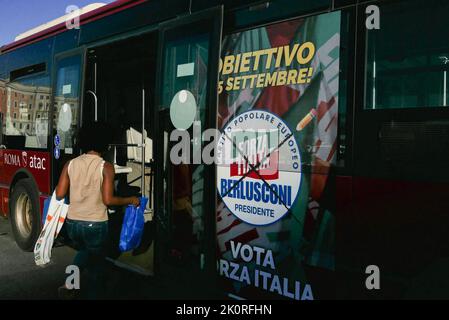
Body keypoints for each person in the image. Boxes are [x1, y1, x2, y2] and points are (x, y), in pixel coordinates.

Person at [55, 121, 139, 300]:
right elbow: (108, 200)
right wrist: (130, 200)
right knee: (96, 269)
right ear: (105, 143)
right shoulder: (106, 167)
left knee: (84, 252)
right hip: (95, 225)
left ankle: (71, 284)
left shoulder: (70, 164)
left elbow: (60, 193)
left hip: (72, 224)